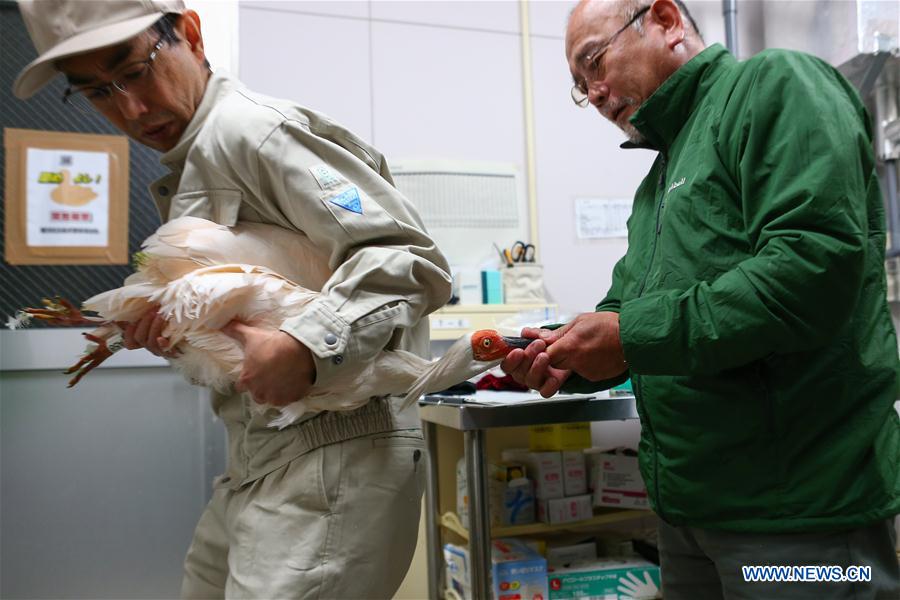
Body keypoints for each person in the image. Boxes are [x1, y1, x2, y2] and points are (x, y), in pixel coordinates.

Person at [13, 1, 452, 597]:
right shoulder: (192, 160)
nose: (130, 109)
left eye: (137, 71)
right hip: (259, 456)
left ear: (191, 34)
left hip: (333, 453)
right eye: (96, 92)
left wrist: (307, 345)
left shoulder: (252, 132)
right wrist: (183, 335)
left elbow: (406, 258)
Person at [501, 0, 900, 598]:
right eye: (582, 87)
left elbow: (808, 271)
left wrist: (627, 336)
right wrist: (567, 354)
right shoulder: (657, 183)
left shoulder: (777, 86)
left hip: (801, 517)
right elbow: (625, 311)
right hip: (689, 515)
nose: (598, 94)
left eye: (595, 62)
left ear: (664, 19)